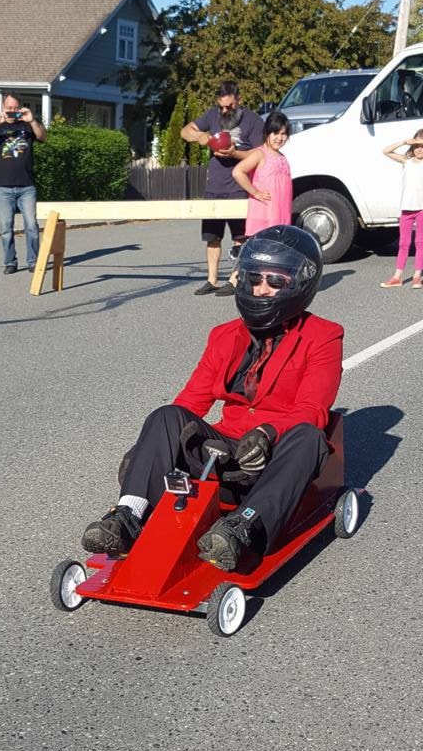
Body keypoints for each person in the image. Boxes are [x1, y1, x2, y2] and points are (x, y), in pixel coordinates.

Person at [81, 225, 344, 573]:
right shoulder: (224, 336)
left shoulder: (323, 336)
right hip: (225, 452)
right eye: (255, 278)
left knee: (310, 437)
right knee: (166, 416)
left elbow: (312, 409)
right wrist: (151, 448)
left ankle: (243, 528)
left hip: (274, 459)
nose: (262, 289)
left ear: (299, 284)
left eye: (275, 281)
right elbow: (191, 401)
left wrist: (268, 433)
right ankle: (128, 515)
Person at [180, 81, 264, 297]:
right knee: (212, 236)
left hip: (239, 186)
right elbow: (184, 131)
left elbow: (260, 155)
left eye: (229, 106)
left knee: (240, 237)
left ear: (239, 100)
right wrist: (198, 135)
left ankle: (235, 280)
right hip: (213, 186)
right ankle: (212, 280)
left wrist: (235, 154)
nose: (225, 111)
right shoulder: (212, 115)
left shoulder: (253, 121)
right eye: (221, 107)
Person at [0, 93, 46, 274]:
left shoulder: (27, 125)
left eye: (15, 108)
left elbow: (42, 137)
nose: (12, 111)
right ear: (3, 108)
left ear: (20, 108)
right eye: (9, 108)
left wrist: (32, 121)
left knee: (31, 226)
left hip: (26, 186)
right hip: (3, 186)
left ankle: (33, 261)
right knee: (6, 228)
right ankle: (10, 262)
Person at [232, 111, 292, 236]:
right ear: (266, 133)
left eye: (284, 134)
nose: (279, 138)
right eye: (275, 133)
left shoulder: (283, 157)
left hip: (282, 218)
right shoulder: (260, 154)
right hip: (264, 219)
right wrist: (255, 192)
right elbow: (238, 172)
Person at [380, 130, 423, 289]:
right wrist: (405, 142)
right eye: (416, 145)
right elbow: (386, 151)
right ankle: (397, 276)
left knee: (420, 242)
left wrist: (419, 142)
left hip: (422, 210)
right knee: (404, 243)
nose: (419, 149)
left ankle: (417, 276)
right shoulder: (407, 161)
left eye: (422, 146)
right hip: (406, 209)